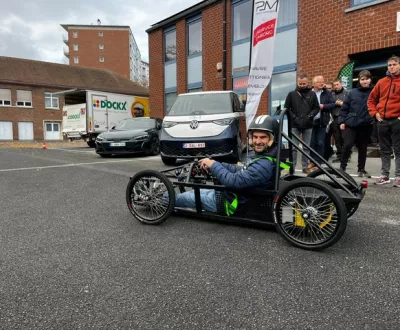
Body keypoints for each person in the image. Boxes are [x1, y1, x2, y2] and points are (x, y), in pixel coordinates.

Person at [175, 115, 282, 214]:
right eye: (255, 137)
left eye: (263, 137)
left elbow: (233, 181)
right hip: (232, 195)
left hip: (229, 202)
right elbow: (242, 170)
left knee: (178, 199)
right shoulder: (264, 158)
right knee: (192, 193)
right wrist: (218, 164)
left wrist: (213, 165)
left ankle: (161, 199)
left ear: (271, 140)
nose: (257, 141)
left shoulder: (263, 165)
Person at [367, 55, 400, 186]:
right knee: (384, 149)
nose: (391, 67)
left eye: (394, 64)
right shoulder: (382, 82)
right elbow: (371, 100)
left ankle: (398, 176)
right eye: (389, 65)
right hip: (382, 121)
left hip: (397, 120)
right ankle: (384, 175)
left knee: (398, 150)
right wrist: (375, 113)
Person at [338, 70, 374, 177]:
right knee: (347, 145)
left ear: (370, 79)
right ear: (359, 80)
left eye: (367, 79)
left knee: (363, 147)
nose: (365, 81)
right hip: (351, 123)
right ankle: (342, 169)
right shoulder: (352, 92)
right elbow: (344, 109)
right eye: (362, 79)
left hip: (366, 124)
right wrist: (342, 121)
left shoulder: (375, 91)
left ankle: (361, 169)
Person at [284, 74, 320, 173]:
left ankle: (305, 167)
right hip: (294, 124)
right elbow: (287, 108)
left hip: (308, 124)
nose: (302, 85)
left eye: (304, 83)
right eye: (300, 83)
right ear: (297, 82)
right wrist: (294, 117)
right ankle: (292, 168)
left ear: (307, 82)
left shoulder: (312, 94)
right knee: (293, 147)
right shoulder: (291, 94)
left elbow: (316, 108)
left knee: (306, 147)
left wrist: (310, 116)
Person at [309, 76, 336, 168]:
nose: (321, 83)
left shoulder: (327, 93)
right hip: (311, 121)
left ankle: (318, 162)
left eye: (322, 82)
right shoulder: (309, 93)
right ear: (314, 84)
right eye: (319, 82)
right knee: (311, 142)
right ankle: (311, 161)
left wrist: (323, 106)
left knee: (320, 142)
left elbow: (333, 105)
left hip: (322, 121)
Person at [330, 78, 349, 163]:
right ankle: (339, 156)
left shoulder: (347, 93)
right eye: (334, 85)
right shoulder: (332, 94)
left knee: (344, 138)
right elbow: (329, 105)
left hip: (344, 118)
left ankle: (346, 156)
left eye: (337, 84)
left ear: (341, 84)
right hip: (334, 118)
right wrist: (334, 104)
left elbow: (351, 104)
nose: (336, 86)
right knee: (337, 138)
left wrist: (342, 104)